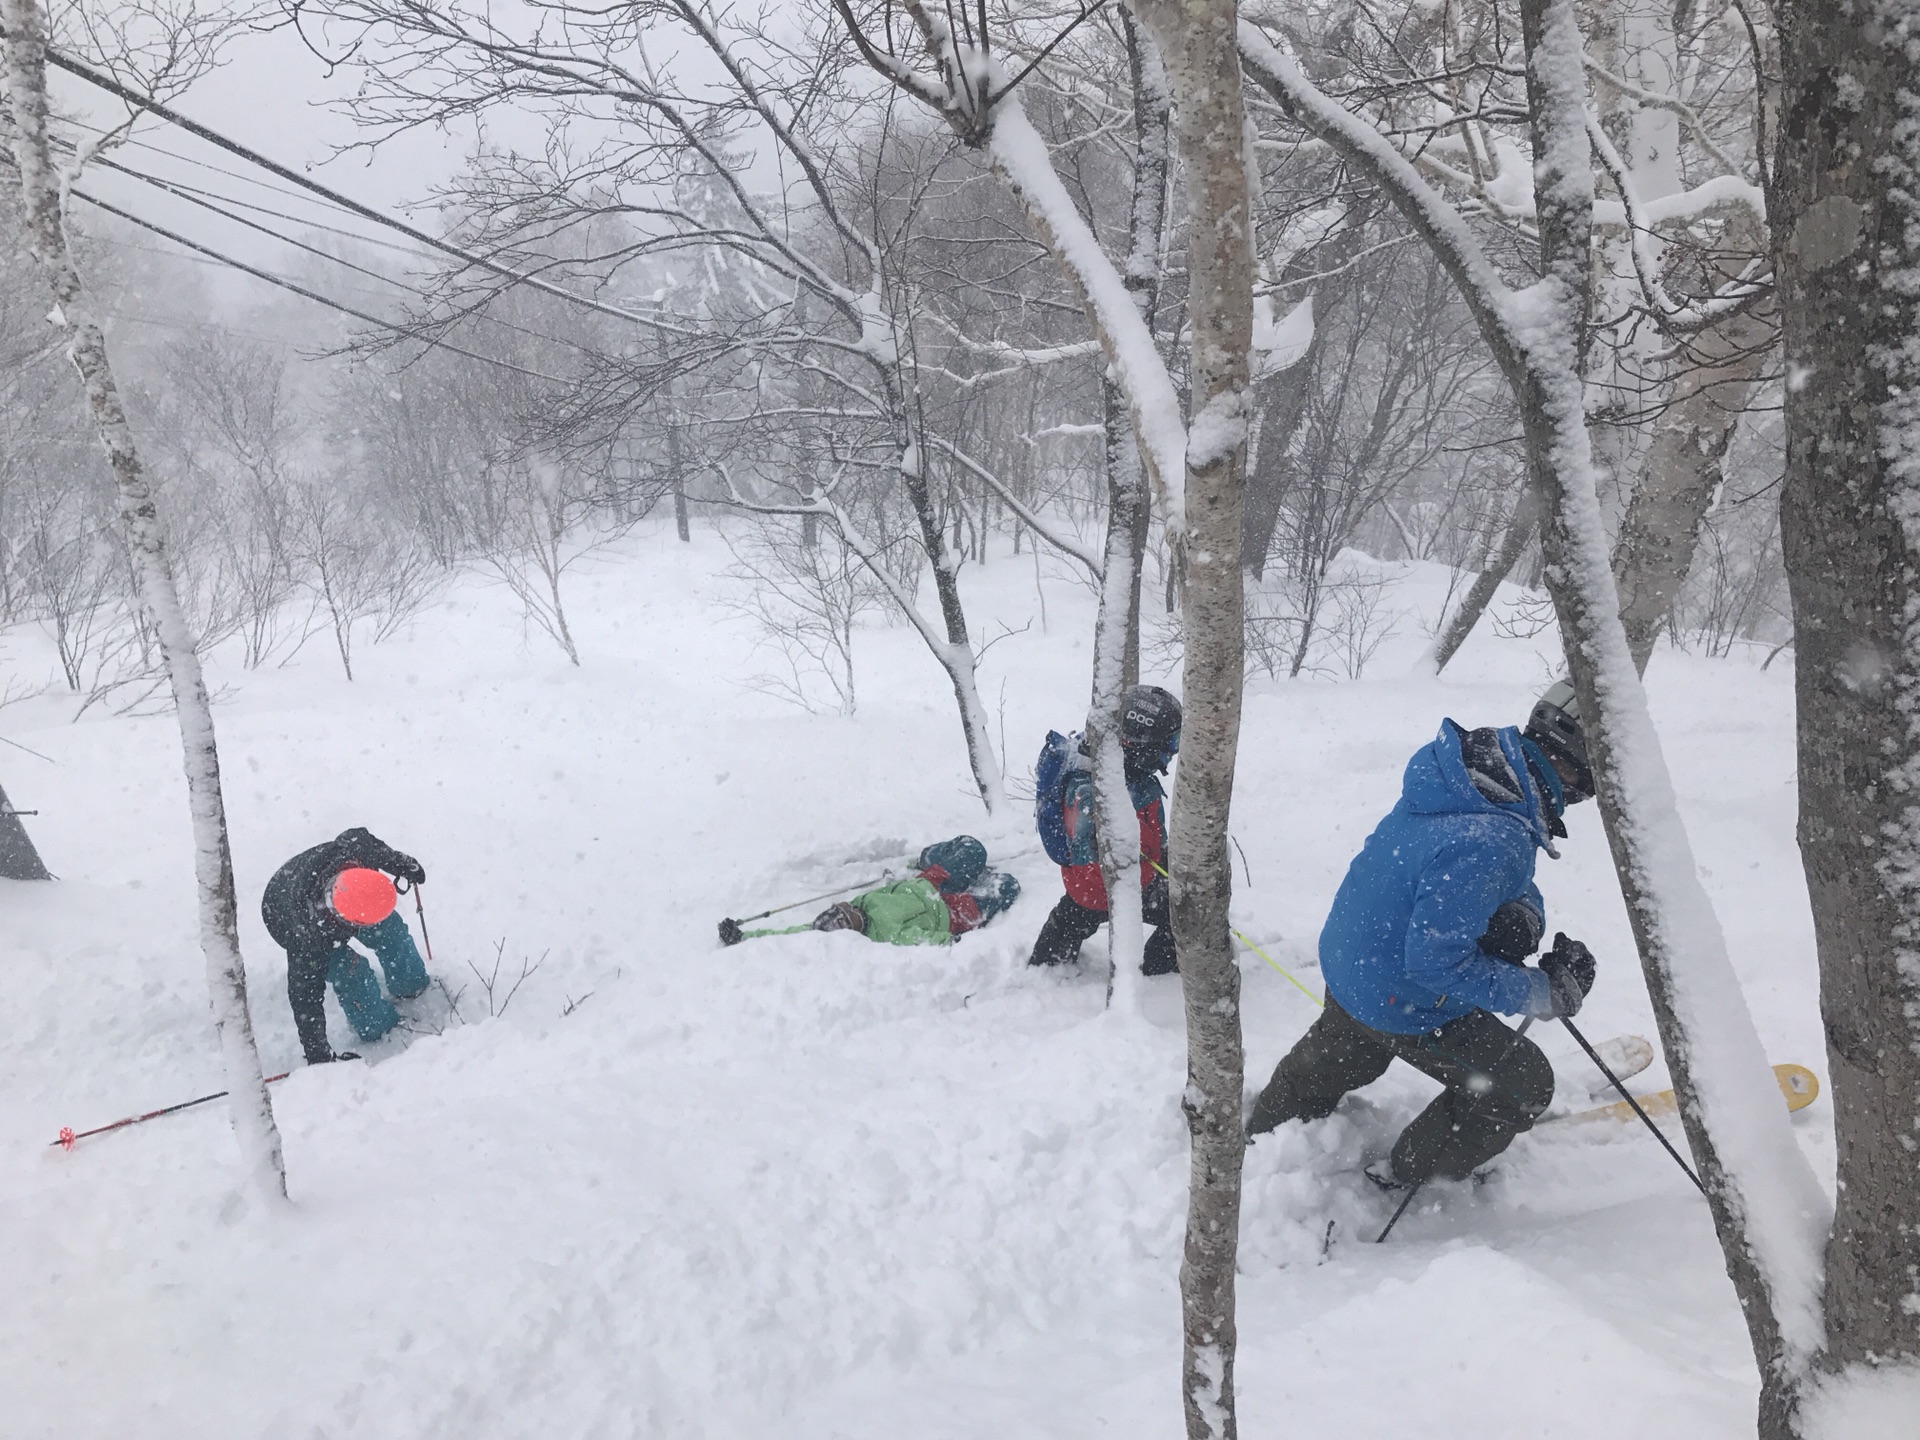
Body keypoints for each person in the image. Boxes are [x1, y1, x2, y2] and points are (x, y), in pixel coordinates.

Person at [1246, 681, 1599, 1189]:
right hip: (1402, 994)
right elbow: (1437, 965)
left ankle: (1265, 1132)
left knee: (1345, 1051)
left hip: (1353, 959)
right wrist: (1543, 993)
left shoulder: (1469, 779)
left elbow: (1483, 880)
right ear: (1575, 764)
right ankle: (1411, 1177)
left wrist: (1524, 917)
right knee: (1521, 1086)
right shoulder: (1495, 836)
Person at [1028, 684, 1182, 976]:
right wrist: (1146, 862)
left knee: (1069, 920)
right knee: (1181, 917)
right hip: (1105, 887)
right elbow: (1096, 856)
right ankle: (1157, 976)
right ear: (1142, 743)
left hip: (1100, 885)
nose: (1172, 752)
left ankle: (1046, 962)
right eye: (1169, 743)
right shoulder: (1096, 786)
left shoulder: (1127, 771)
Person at [262, 827, 431, 1064]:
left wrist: (401, 863)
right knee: (351, 972)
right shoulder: (308, 938)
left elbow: (364, 840)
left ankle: (410, 983)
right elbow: (305, 1001)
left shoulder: (357, 852)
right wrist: (319, 1055)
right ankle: (377, 1026)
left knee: (391, 932)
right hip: (283, 911)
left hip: (337, 890)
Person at [720, 837, 1021, 947]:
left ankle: (927, 856)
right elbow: (924, 940)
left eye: (844, 908)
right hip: (950, 914)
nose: (850, 908)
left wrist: (744, 936)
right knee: (1008, 887)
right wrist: (949, 939)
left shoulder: (854, 907)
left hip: (928, 883)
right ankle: (982, 884)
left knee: (972, 848)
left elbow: (794, 933)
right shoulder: (885, 934)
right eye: (848, 915)